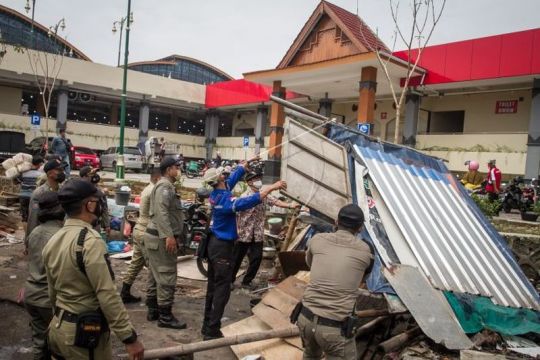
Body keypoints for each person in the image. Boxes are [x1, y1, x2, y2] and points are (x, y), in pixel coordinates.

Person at [42, 179, 144, 360]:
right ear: (89, 205)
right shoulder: (90, 241)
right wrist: (128, 337)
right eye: (96, 202)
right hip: (83, 337)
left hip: (58, 328)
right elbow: (107, 293)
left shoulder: (53, 240)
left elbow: (52, 292)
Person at [201, 161, 287, 340]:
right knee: (221, 290)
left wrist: (242, 167)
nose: (225, 175)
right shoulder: (226, 200)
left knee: (212, 287)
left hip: (213, 245)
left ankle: (206, 325)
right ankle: (212, 330)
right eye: (222, 175)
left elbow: (231, 180)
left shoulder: (218, 193)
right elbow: (249, 200)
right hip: (222, 248)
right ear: (219, 179)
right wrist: (272, 187)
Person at [296, 204, 373, 360]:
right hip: (334, 328)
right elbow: (362, 278)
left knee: (310, 355)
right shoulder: (366, 250)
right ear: (360, 227)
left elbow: (311, 264)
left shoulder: (317, 240)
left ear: (336, 221)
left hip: (305, 318)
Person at [232, 171, 299, 289]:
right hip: (243, 232)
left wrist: (290, 205)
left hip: (257, 233)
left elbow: (275, 201)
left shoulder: (264, 195)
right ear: (249, 182)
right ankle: (229, 281)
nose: (258, 181)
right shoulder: (245, 196)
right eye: (255, 179)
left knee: (257, 258)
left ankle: (246, 282)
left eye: (259, 178)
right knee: (237, 259)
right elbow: (253, 201)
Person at [143, 158, 187, 329]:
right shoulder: (165, 187)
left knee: (155, 275)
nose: (178, 170)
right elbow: (161, 212)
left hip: (155, 236)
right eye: (177, 167)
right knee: (167, 274)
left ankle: (153, 310)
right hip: (161, 238)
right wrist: (169, 236)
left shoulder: (164, 185)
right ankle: (165, 317)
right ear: (169, 170)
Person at [23, 191, 65, 360]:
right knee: (60, 345)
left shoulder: (35, 232)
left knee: (39, 342)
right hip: (48, 298)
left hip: (31, 294)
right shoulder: (59, 235)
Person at [121, 168, 162, 304]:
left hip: (139, 229)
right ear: (157, 178)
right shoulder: (154, 191)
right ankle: (153, 300)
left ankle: (124, 292)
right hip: (146, 231)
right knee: (154, 266)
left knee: (136, 263)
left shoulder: (148, 188)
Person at [25, 159, 66, 253]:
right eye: (59, 170)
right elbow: (33, 219)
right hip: (43, 237)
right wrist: (28, 242)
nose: (62, 173)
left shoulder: (62, 190)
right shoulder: (39, 193)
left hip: (59, 235)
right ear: (50, 173)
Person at [79, 166, 110, 236]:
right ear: (84, 177)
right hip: (82, 225)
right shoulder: (78, 190)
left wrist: (107, 224)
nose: (94, 177)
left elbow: (104, 207)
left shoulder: (99, 191)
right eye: (91, 174)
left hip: (95, 225)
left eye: (95, 174)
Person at [18, 155, 44, 222]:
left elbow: (16, 181)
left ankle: (26, 231)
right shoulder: (40, 175)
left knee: (24, 218)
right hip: (33, 197)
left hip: (23, 196)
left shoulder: (23, 173)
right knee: (33, 217)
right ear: (40, 164)